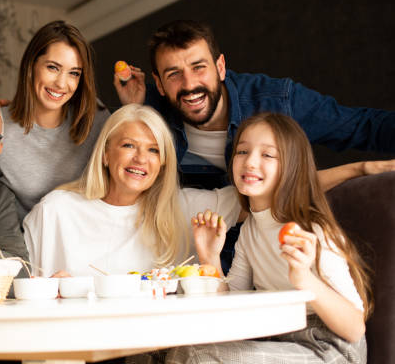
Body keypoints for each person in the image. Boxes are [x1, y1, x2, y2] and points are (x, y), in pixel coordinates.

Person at [114, 19, 395, 270]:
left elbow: (363, 125)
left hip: (278, 239)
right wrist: (134, 111)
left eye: (199, 68)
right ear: (160, 84)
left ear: (220, 67)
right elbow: (126, 185)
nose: (189, 84)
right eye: (174, 74)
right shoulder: (151, 112)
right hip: (206, 251)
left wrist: (366, 168)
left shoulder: (277, 100)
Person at [165, 113, 369, 363]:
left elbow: (355, 328)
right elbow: (231, 303)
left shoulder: (312, 229)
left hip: (331, 349)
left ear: (291, 166)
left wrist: (305, 279)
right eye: (242, 152)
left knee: (195, 356)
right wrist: (210, 257)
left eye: (267, 155)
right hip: (278, 340)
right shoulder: (250, 230)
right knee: (158, 348)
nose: (250, 162)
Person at [23, 104, 240, 277]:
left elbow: (257, 199)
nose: (141, 159)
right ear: (105, 154)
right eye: (128, 145)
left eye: (153, 150)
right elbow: (16, 288)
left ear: (163, 162)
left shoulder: (184, 207)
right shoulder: (55, 210)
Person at [0, 20, 110, 221]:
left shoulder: (96, 118)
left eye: (74, 73)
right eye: (53, 68)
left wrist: (133, 103)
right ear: (31, 65)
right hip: (25, 245)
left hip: (89, 237)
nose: (62, 83)